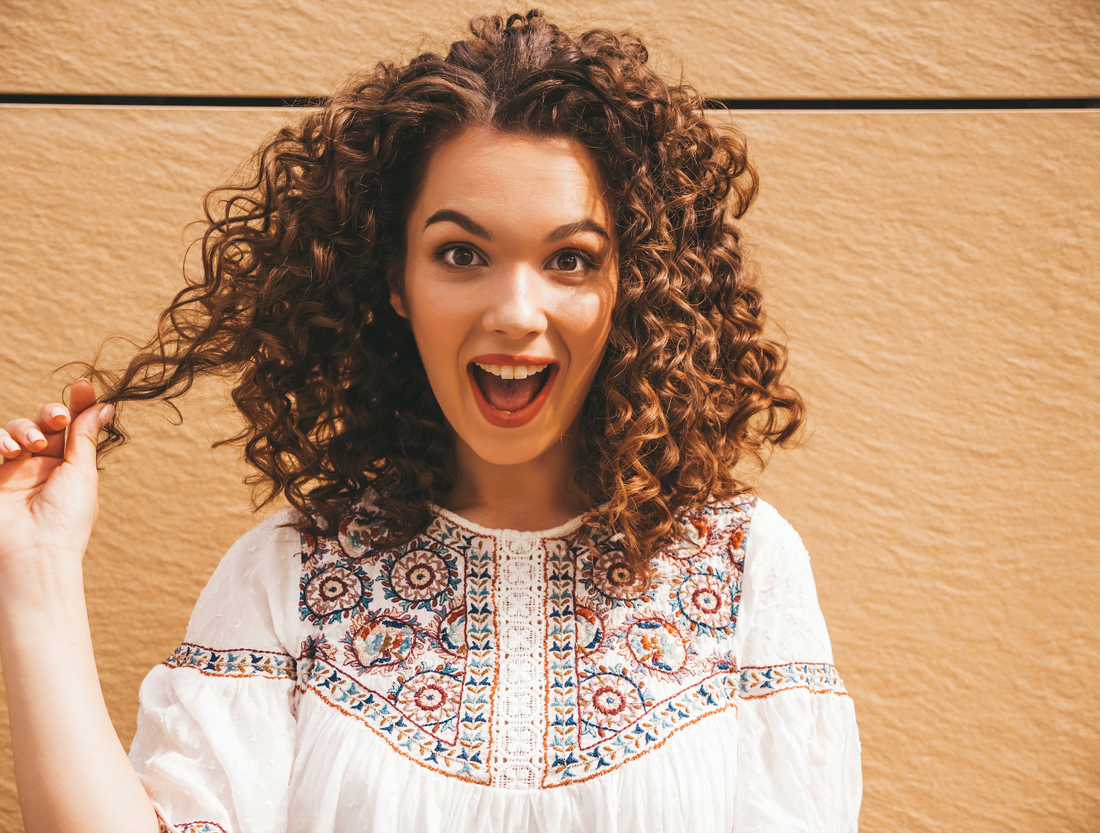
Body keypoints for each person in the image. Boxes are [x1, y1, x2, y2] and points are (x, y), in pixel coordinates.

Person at [0, 10, 861, 832]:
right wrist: (34, 570)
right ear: (397, 284)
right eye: (462, 254)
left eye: (570, 259)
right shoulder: (289, 579)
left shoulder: (744, 566)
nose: (516, 311)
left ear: (627, 288)